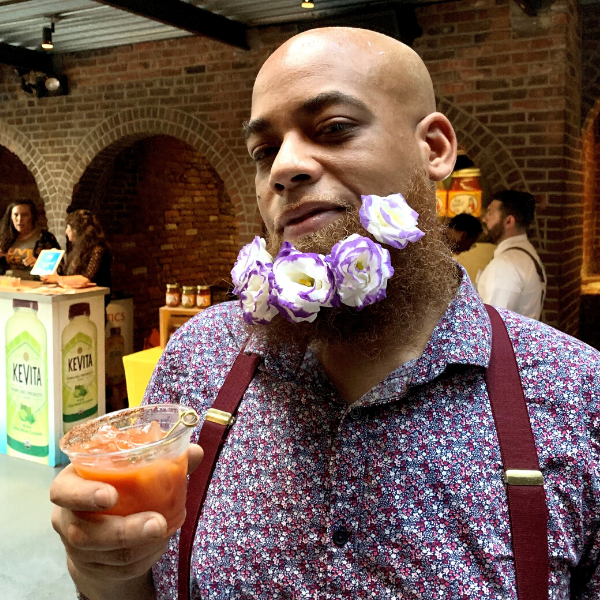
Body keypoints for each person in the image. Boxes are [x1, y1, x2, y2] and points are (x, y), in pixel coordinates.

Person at [50, 28, 600, 599]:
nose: (284, 167)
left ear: (434, 149)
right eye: (264, 152)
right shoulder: (199, 359)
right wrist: (103, 573)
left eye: (334, 128)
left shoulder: (578, 397)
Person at [477, 190, 546, 320]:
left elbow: (493, 325)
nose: (485, 219)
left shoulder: (505, 265)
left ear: (509, 221)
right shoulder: (527, 253)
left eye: (490, 213)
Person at [41, 209, 111, 293]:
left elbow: (86, 279)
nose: (66, 231)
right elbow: (68, 275)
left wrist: (57, 279)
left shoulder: (98, 249)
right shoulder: (77, 249)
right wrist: (55, 264)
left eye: (68, 227)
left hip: (94, 298)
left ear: (76, 229)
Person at [0, 198, 60, 279]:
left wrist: (39, 265)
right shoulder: (5, 237)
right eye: (16, 215)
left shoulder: (45, 238)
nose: (19, 219)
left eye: (24, 215)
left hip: (35, 285)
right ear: (10, 217)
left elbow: (59, 269)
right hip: (8, 284)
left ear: (32, 216)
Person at [445, 213, 496, 284]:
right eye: (472, 243)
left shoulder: (441, 245)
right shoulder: (436, 246)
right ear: (463, 236)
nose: (468, 249)